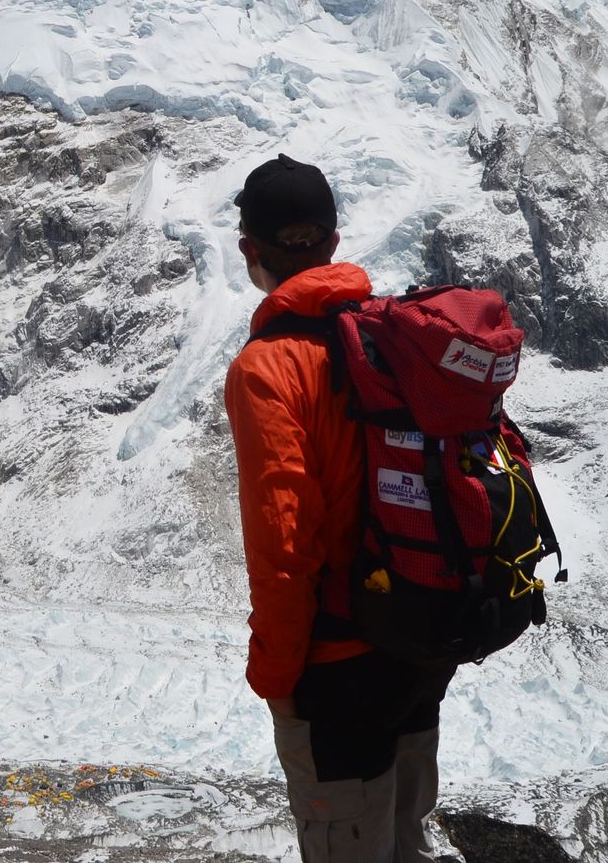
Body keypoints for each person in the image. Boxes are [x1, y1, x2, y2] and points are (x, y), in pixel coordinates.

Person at [225, 153, 455, 863]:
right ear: (331, 241)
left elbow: (284, 540)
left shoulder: (267, 367)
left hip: (338, 666)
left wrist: (275, 676)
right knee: (406, 840)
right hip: (419, 641)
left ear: (249, 251)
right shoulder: (390, 336)